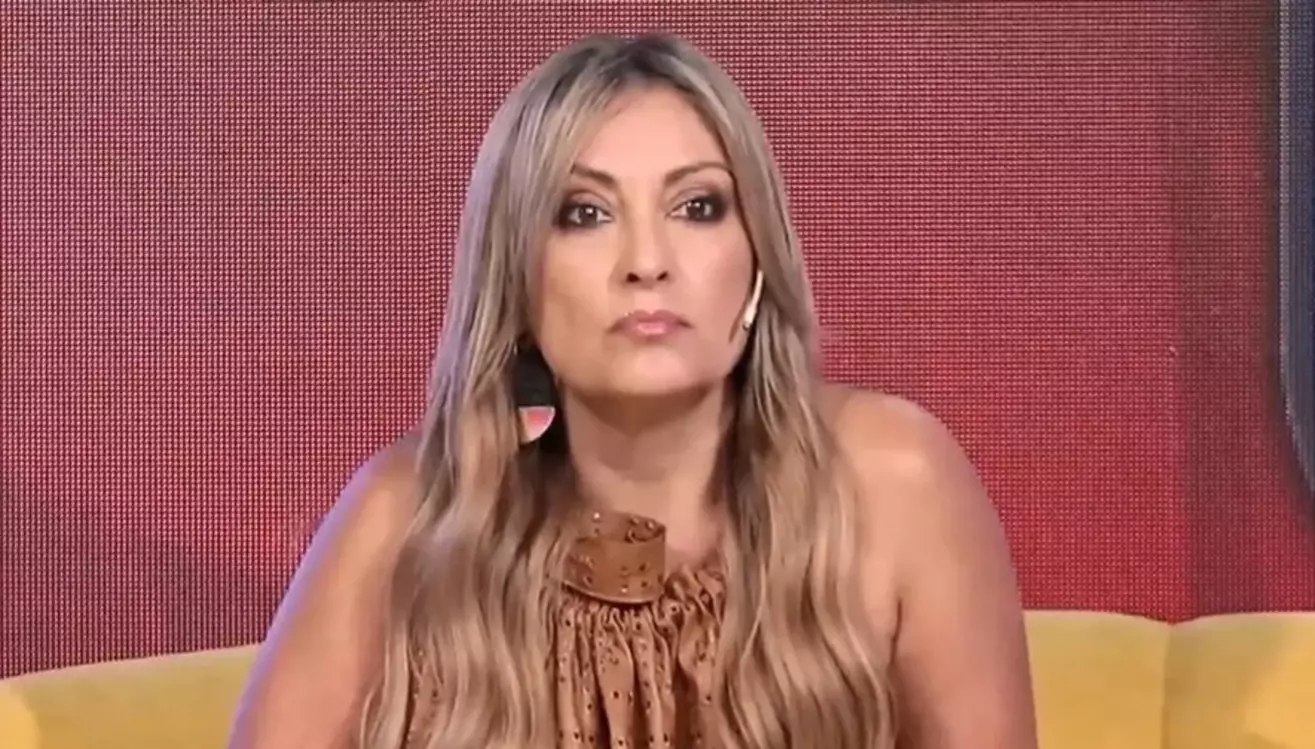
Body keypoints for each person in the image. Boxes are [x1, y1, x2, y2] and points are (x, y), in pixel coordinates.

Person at [226, 32, 1037, 749]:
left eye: (697, 206)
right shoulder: (409, 515)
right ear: (515, 277)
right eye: (584, 213)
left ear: (757, 258)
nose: (647, 262)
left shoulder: (894, 482)